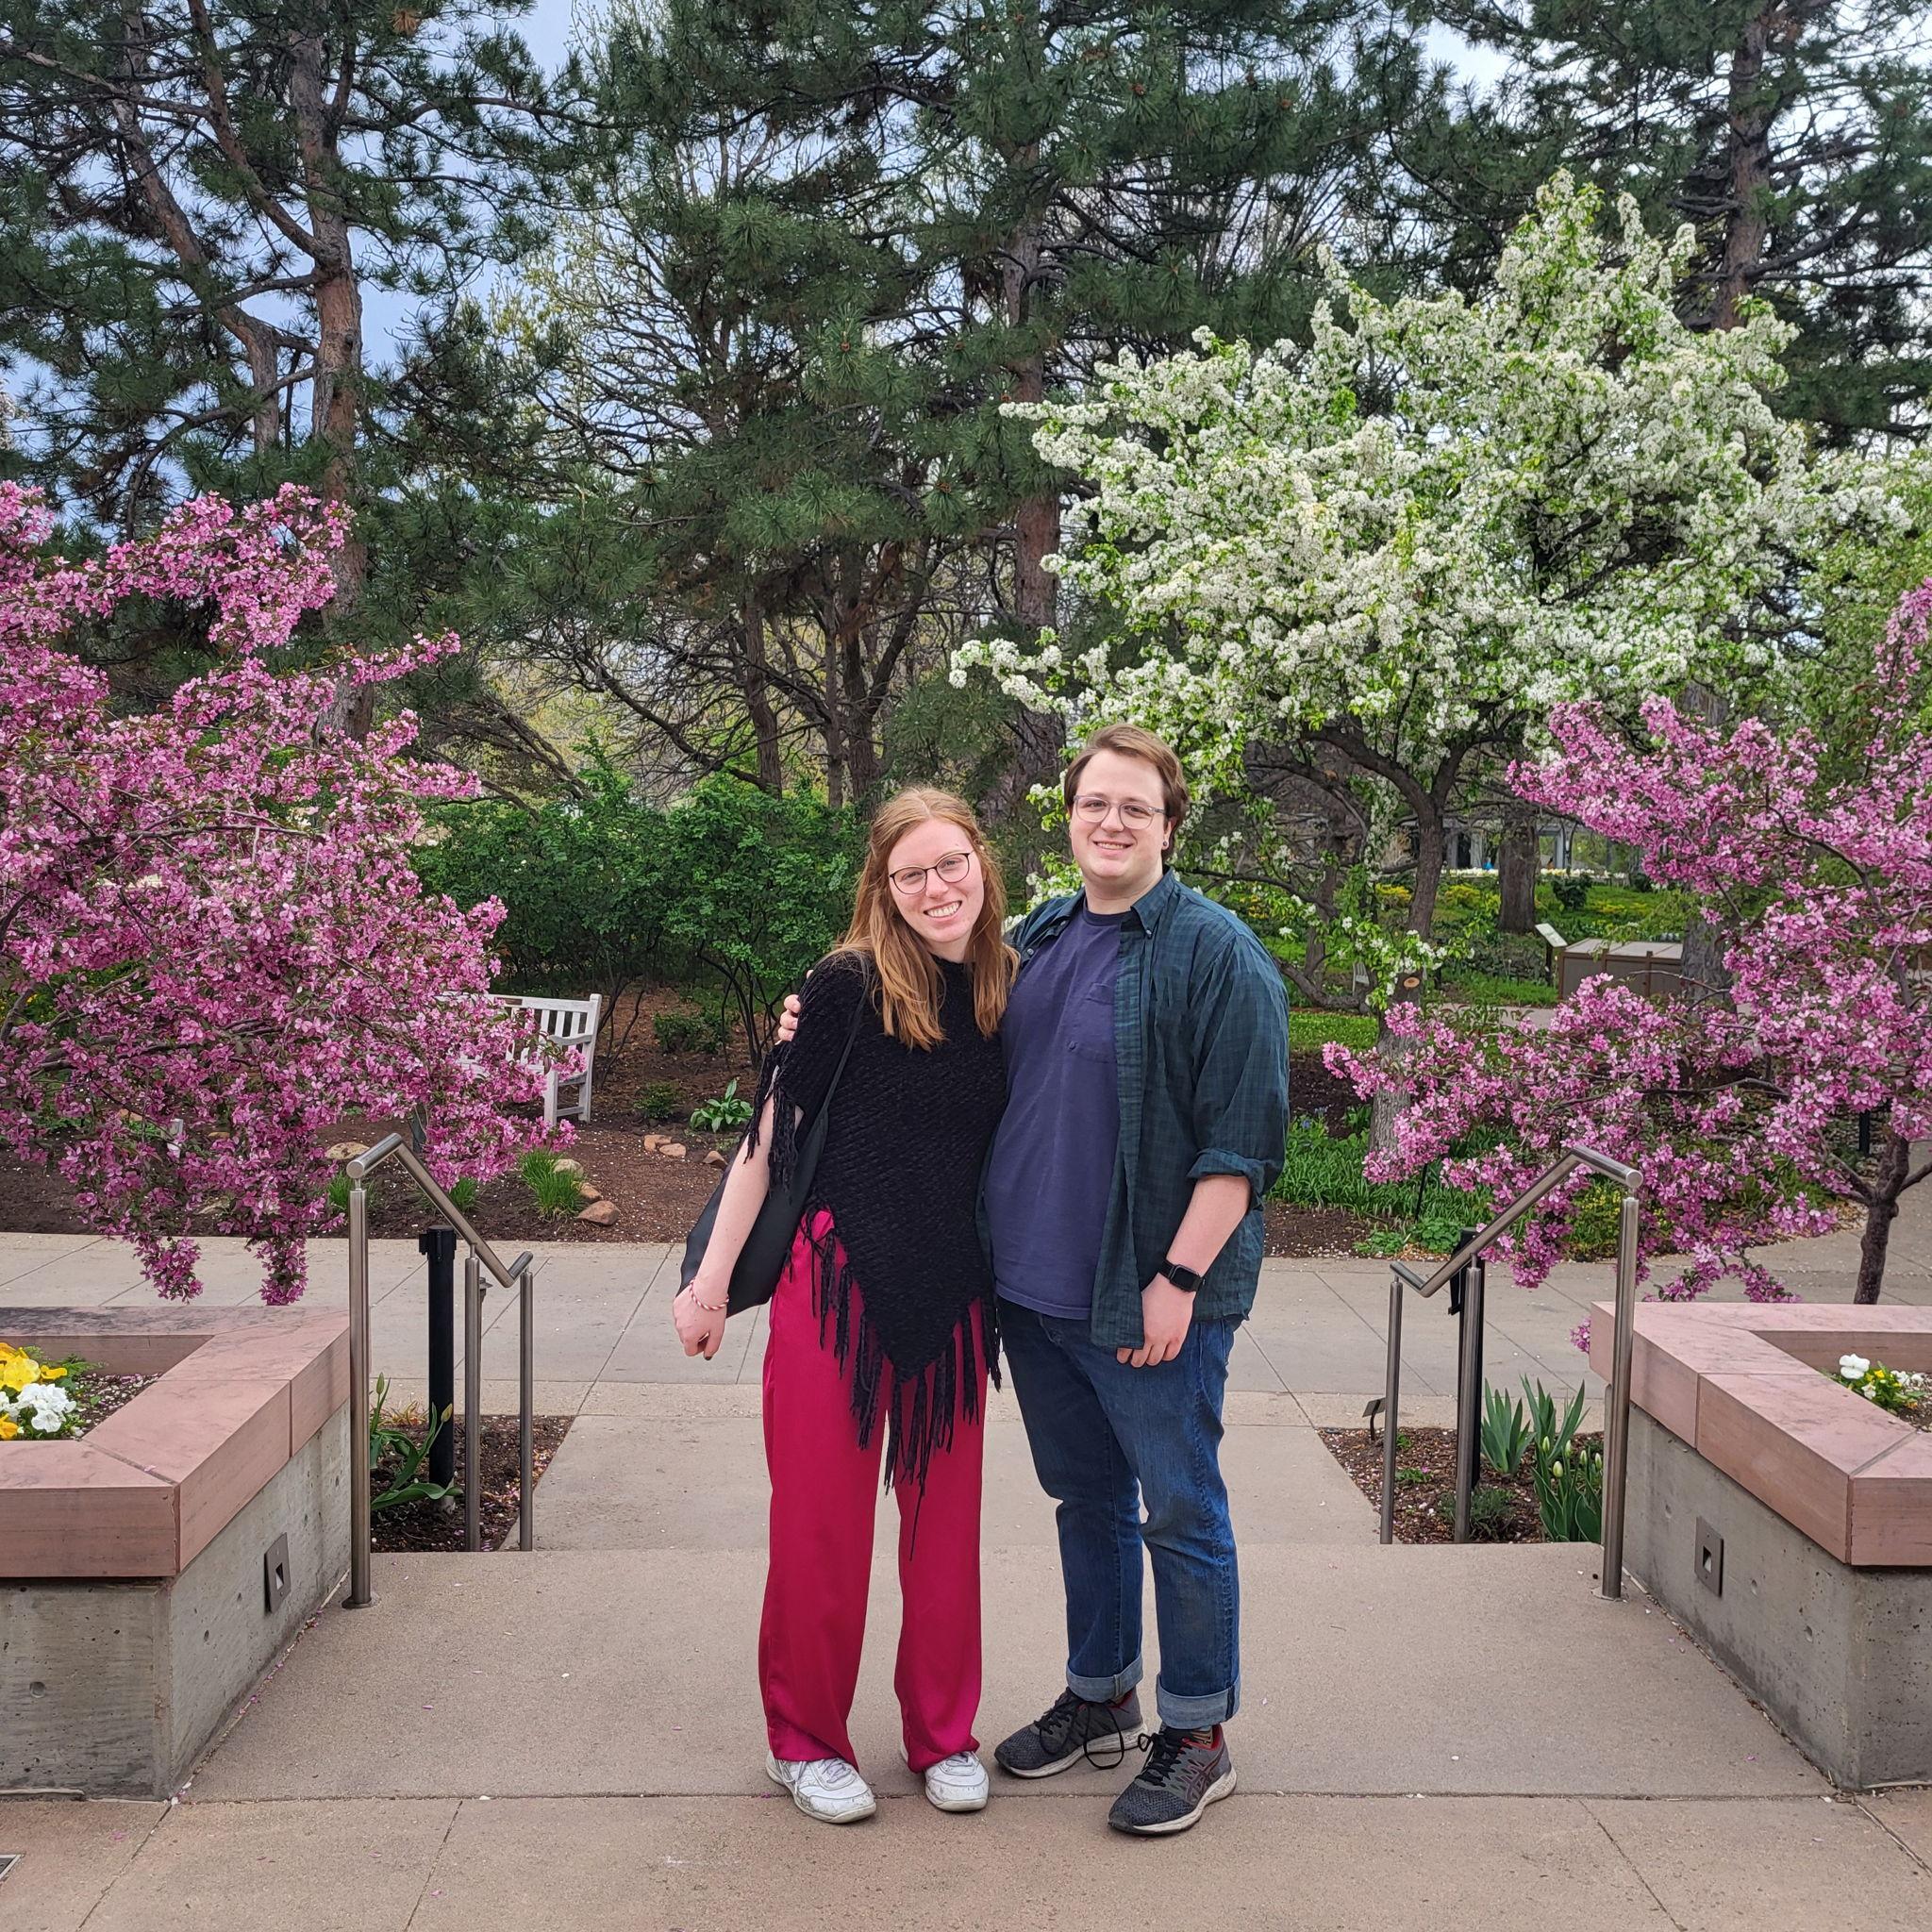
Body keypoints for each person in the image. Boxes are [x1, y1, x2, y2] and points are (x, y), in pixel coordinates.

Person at [780, 724, 1291, 1837]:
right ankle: (1101, 1691)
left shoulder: (1216, 953)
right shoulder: (1046, 937)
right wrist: (805, 1017)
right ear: (1066, 815)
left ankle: (1196, 1731)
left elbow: (1240, 1148)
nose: (1111, 823)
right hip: (1028, 1296)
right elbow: (911, 1030)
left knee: (1179, 1509)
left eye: (1135, 808)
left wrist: (1177, 1277)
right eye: (1093, 803)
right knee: (1088, 1502)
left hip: (1143, 1295)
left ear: (1169, 824)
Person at [674, 788, 1015, 1826]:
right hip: (836, 1287)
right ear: (882, 886)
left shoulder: (1012, 984)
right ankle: (805, 1740)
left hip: (954, 1294)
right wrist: (711, 1284)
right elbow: (769, 1139)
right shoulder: (842, 984)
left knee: (944, 1536)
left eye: (950, 863)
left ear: (982, 865)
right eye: (910, 872)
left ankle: (941, 1735)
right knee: (820, 1527)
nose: (935, 886)